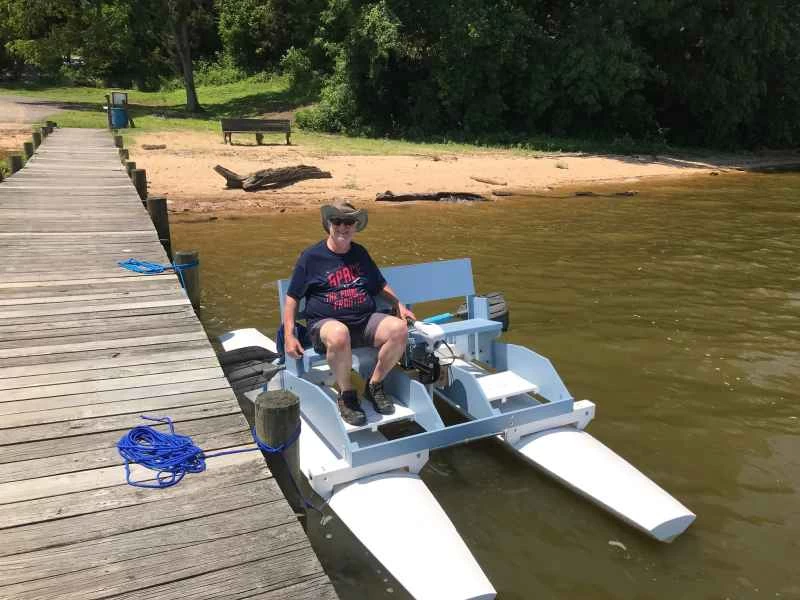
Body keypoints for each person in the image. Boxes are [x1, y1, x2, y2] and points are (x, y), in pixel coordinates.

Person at [283, 200, 415, 426]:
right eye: (337, 221)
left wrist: (398, 304)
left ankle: (374, 385)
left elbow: (379, 284)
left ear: (355, 226)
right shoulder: (311, 257)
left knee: (399, 329)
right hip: (327, 325)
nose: (343, 227)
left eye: (348, 222)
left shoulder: (360, 253)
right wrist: (289, 334)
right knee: (339, 333)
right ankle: (347, 395)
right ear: (329, 224)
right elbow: (292, 296)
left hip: (364, 321)